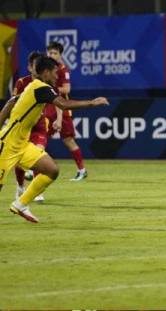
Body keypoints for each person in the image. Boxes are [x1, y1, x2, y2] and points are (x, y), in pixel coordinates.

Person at [1, 56, 109, 223]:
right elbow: (64, 105)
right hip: (7, 145)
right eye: (54, 72)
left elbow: (10, 103)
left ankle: (20, 204)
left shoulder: (33, 87)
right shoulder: (41, 88)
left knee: (52, 170)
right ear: (45, 72)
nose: (57, 76)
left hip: (22, 145)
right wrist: (92, 103)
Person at [12, 51, 53, 202]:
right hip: (23, 127)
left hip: (40, 126)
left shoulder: (45, 84)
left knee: (38, 153)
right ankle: (20, 186)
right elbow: (13, 103)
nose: (38, 70)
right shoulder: (22, 83)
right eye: (35, 66)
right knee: (20, 157)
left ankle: (36, 190)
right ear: (30, 67)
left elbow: (57, 101)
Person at [46, 41, 88, 181]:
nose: (52, 55)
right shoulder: (45, 69)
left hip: (62, 109)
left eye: (55, 53)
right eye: (50, 52)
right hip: (48, 107)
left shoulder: (63, 69)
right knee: (40, 139)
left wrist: (50, 90)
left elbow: (67, 89)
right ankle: (34, 169)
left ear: (60, 55)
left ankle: (81, 170)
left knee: (68, 140)